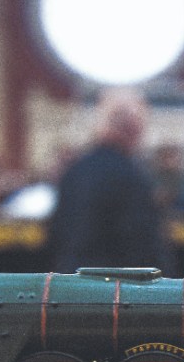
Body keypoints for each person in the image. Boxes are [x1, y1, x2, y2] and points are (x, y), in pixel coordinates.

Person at [46, 87, 175, 273]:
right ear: (134, 128)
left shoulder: (74, 172)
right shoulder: (132, 177)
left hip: (71, 284)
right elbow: (143, 245)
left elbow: (55, 235)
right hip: (117, 290)